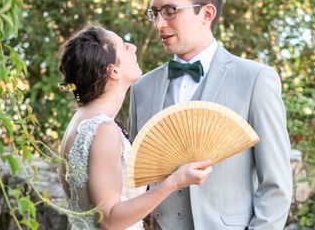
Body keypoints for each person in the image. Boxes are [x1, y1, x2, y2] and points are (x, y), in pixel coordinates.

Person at [129, 0, 293, 229]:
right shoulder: (141, 88)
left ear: (206, 13)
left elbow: (276, 184)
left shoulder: (255, 80)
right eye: (155, 13)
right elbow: (135, 180)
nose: (159, 24)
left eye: (170, 11)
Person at [57, 25, 212, 230]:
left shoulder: (80, 120)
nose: (134, 47)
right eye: (124, 47)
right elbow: (111, 220)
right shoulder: (103, 130)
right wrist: (175, 182)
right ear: (114, 71)